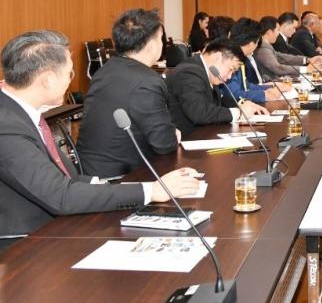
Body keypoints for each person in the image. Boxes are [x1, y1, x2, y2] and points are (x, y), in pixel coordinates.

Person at [0, 31, 199, 244]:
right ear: (47, 80)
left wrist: (146, 185)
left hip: (55, 225)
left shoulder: (19, 111)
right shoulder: (6, 126)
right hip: (25, 242)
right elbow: (61, 195)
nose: (70, 80)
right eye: (69, 73)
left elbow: (67, 179)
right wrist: (151, 191)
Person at [77, 9, 181, 179]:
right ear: (152, 45)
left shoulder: (104, 71)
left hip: (88, 172)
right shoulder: (148, 82)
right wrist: (173, 135)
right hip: (121, 178)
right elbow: (164, 144)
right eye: (160, 38)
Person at [166, 38, 267, 136]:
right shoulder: (189, 72)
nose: (229, 76)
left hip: (204, 135)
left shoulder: (206, 72)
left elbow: (220, 101)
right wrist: (239, 112)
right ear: (218, 57)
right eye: (231, 69)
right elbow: (199, 112)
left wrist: (242, 103)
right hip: (187, 140)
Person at [220, 19, 282, 105]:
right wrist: (263, 95)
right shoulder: (230, 57)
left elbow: (246, 85)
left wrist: (270, 87)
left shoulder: (239, 56)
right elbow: (233, 94)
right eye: (257, 43)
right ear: (252, 43)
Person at [255, 16, 322, 81]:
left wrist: (307, 60)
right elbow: (278, 68)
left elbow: (282, 57)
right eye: (278, 30)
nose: (278, 33)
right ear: (269, 32)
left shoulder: (266, 46)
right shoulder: (263, 49)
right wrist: (305, 69)